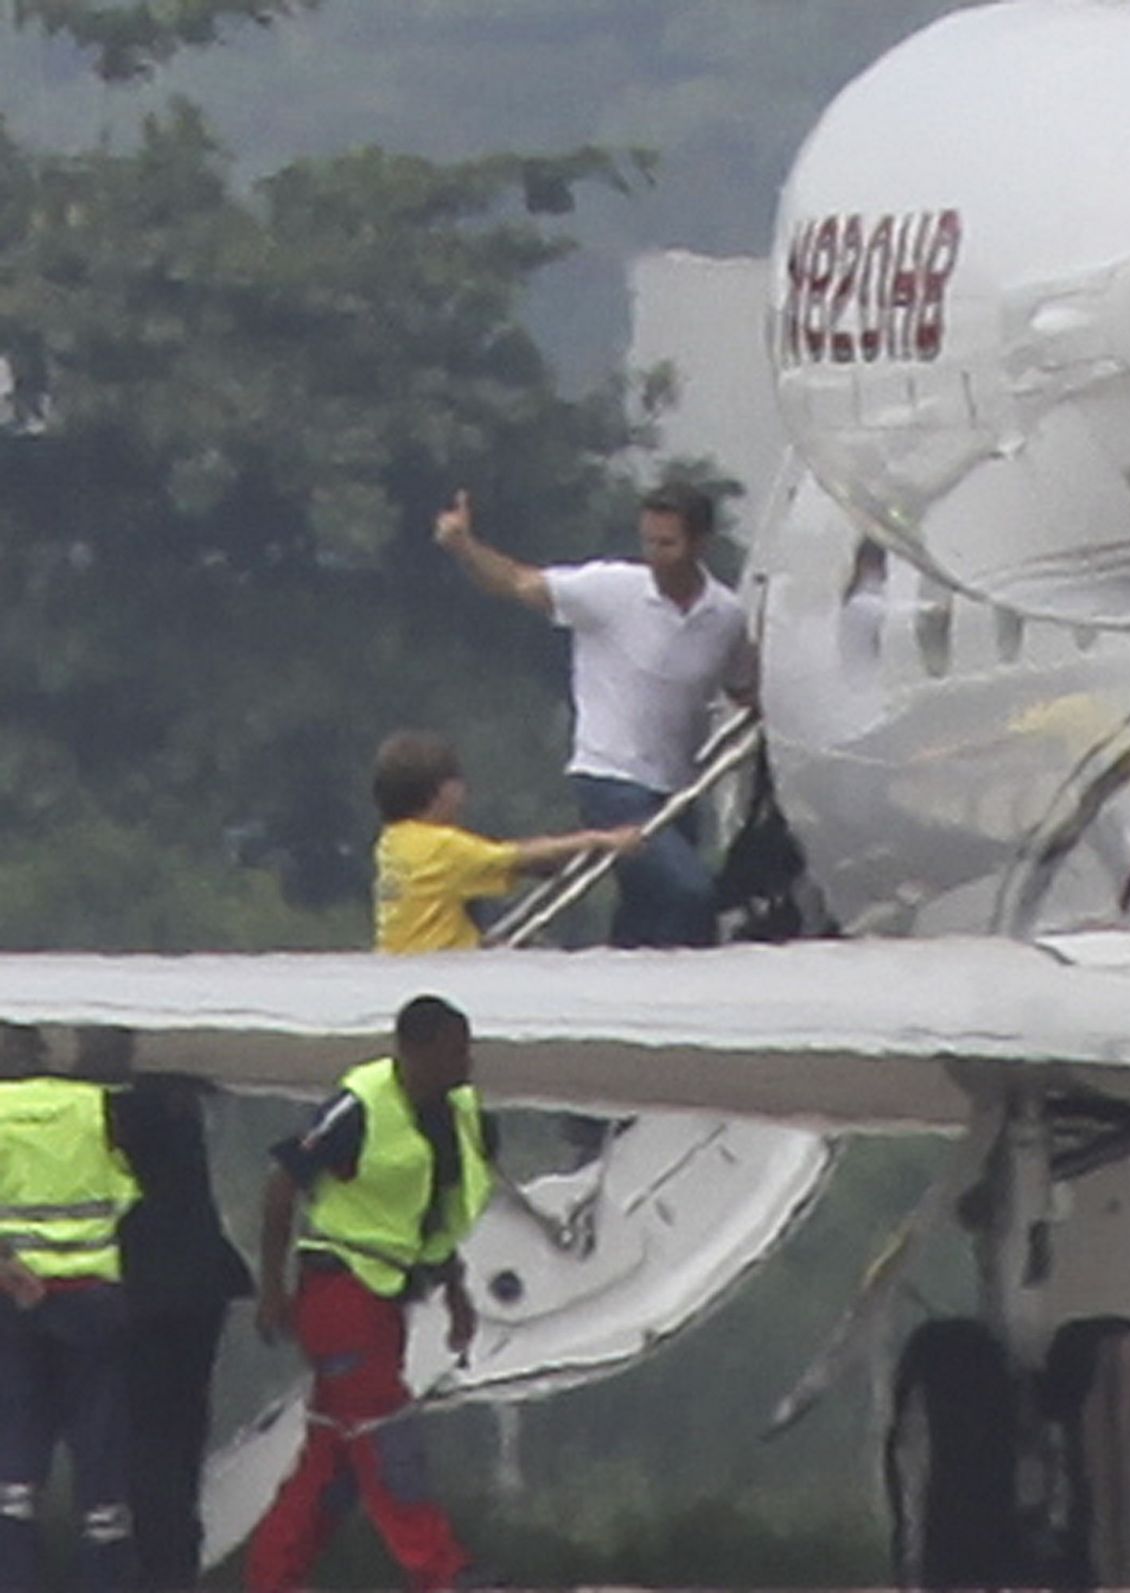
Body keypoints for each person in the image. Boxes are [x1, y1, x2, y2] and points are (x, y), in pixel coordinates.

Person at [435, 482, 757, 947]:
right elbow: (519, 582)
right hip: (611, 780)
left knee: (651, 907)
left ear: (700, 543)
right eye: (649, 543)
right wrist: (465, 547)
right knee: (690, 893)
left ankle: (634, 993)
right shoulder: (612, 590)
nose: (657, 556)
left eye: (668, 544)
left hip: (675, 788)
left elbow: (745, 687)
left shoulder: (724, 616)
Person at [247, 995, 495, 1593]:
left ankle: (270, 1578)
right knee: (386, 1430)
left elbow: (433, 1217)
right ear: (413, 1051)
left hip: (387, 1297)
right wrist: (271, 1290)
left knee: (333, 1456)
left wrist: (456, 1292)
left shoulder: (455, 1113)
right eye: (453, 1049)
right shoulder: (360, 1105)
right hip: (338, 1290)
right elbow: (282, 1187)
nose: (466, 1061)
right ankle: (443, 1572)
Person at [73, 1026, 254, 1593]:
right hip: (194, 1286)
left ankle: (153, 1567)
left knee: (144, 1439)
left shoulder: (96, 1113)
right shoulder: (166, 1099)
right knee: (177, 1436)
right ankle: (171, 1563)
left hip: (145, 1292)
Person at [0, 1022, 140, 1593]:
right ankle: (103, 1579)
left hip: (15, 1301)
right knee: (99, 1446)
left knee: (15, 1448)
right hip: (90, 1299)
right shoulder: (93, 1106)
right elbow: (128, 1189)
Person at [373, 727, 639, 953]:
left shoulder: (393, 842)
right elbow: (517, 857)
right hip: (440, 966)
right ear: (442, 792)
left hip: (401, 960)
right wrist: (600, 840)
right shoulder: (442, 847)